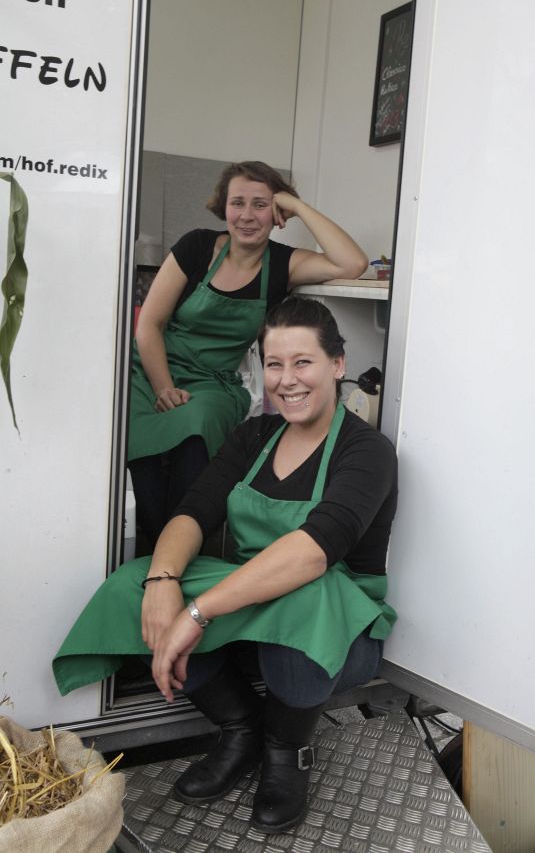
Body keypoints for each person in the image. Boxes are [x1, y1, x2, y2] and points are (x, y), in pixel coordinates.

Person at [53, 297, 398, 834]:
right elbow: (192, 513)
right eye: (275, 364)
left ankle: (288, 750)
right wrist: (163, 582)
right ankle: (242, 729)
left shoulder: (367, 450)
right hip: (251, 609)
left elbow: (312, 552)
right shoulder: (253, 436)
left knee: (304, 597)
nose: (287, 380)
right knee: (135, 583)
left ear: (337, 364)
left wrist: (196, 613)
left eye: (303, 362)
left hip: (336, 628)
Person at [128, 161, 368, 545]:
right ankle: (157, 544)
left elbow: (352, 263)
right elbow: (149, 326)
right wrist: (163, 388)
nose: (247, 215)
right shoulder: (196, 246)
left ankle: (185, 545)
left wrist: (298, 206)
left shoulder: (283, 264)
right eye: (237, 203)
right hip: (151, 372)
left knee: (200, 423)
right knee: (140, 455)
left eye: (261, 204)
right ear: (223, 207)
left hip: (214, 383)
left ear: (277, 212)